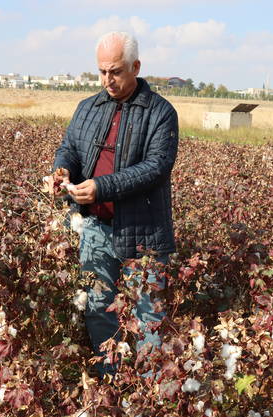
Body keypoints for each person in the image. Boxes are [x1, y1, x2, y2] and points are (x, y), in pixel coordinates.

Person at [50, 31, 179, 378]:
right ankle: (111, 382)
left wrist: (102, 187)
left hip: (144, 233)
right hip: (95, 228)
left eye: (116, 71)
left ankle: (150, 393)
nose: (108, 79)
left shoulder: (161, 113)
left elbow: (155, 167)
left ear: (136, 67)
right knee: (97, 308)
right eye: (102, 71)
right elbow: (70, 149)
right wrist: (62, 171)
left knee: (148, 314)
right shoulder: (88, 107)